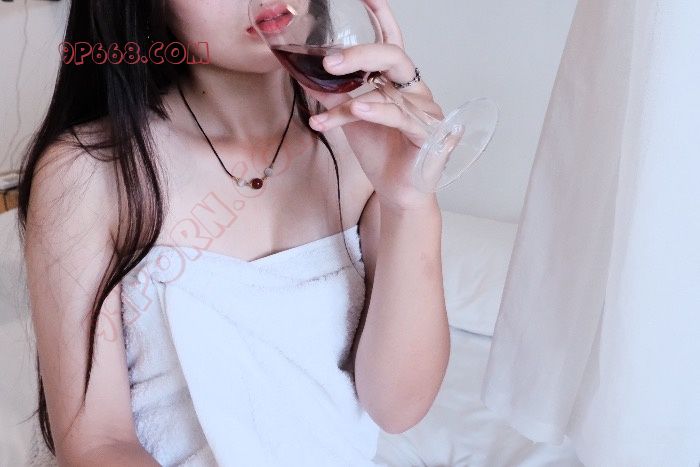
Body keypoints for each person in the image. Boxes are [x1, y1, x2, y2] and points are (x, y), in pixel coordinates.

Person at [17, 0, 450, 465]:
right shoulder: (90, 172)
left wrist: (411, 202)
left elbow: (397, 408)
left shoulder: (366, 144)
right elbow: (97, 443)